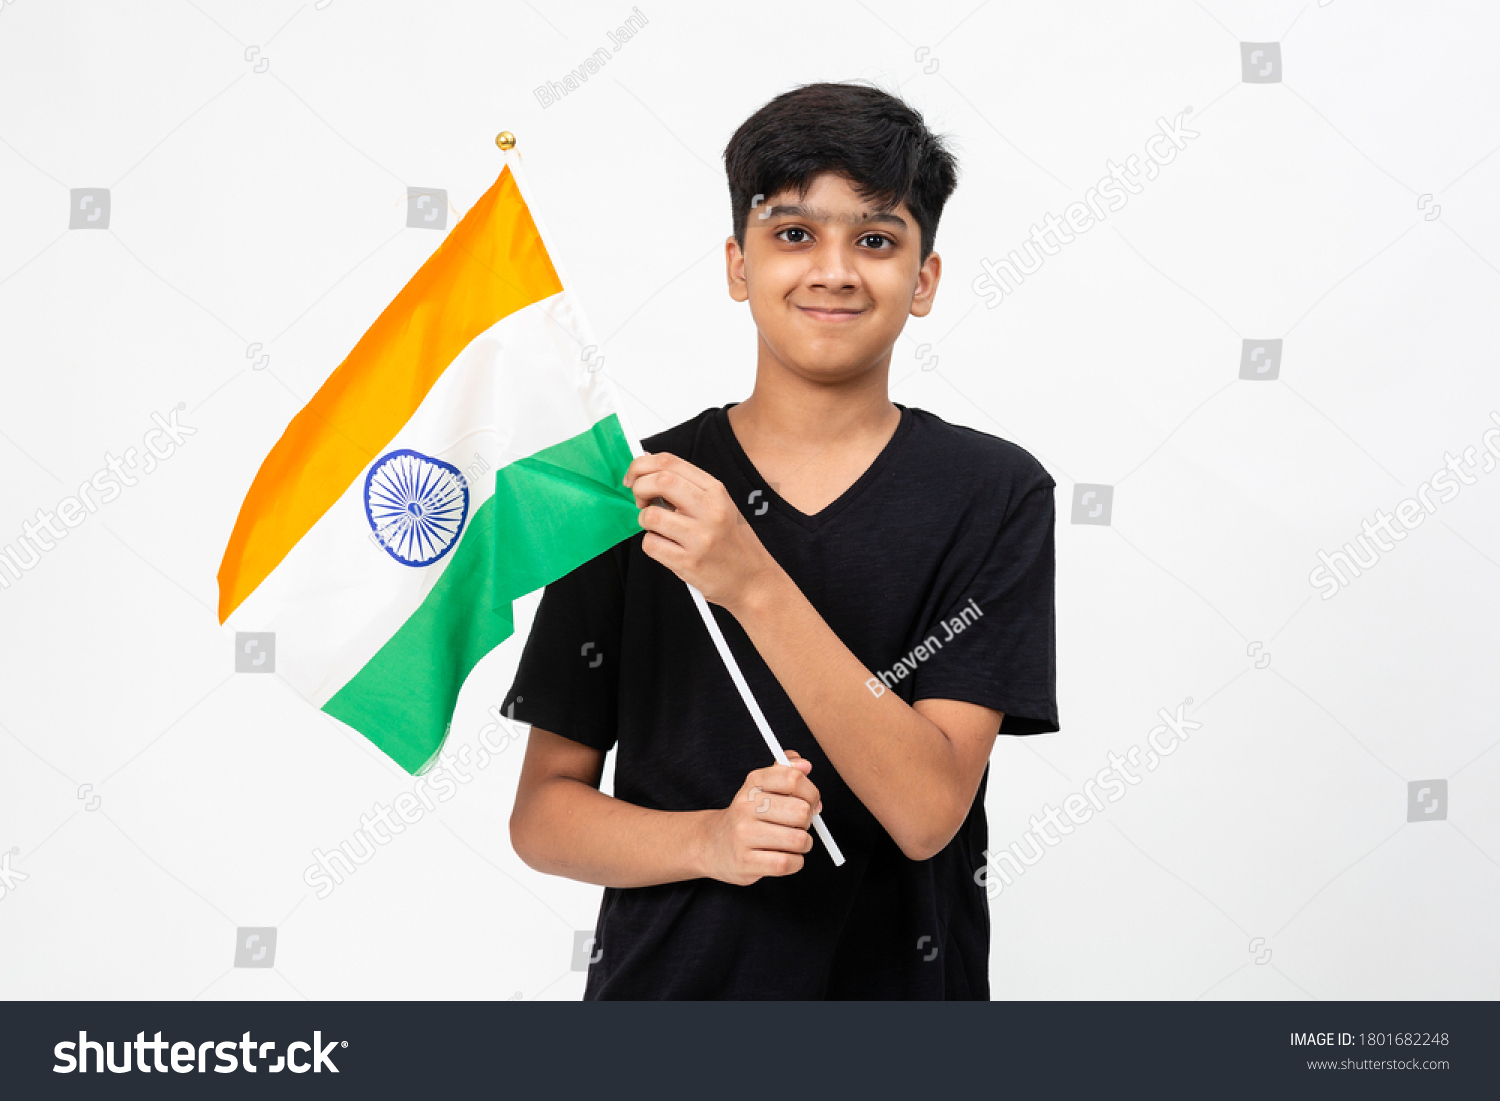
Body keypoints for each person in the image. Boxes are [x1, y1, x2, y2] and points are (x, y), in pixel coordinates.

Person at [503, 81, 1059, 999]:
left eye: (876, 239)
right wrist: (710, 838)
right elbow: (542, 814)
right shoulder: (640, 491)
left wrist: (749, 579)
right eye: (793, 233)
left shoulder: (992, 495)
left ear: (924, 279)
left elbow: (928, 813)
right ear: (738, 263)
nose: (833, 270)